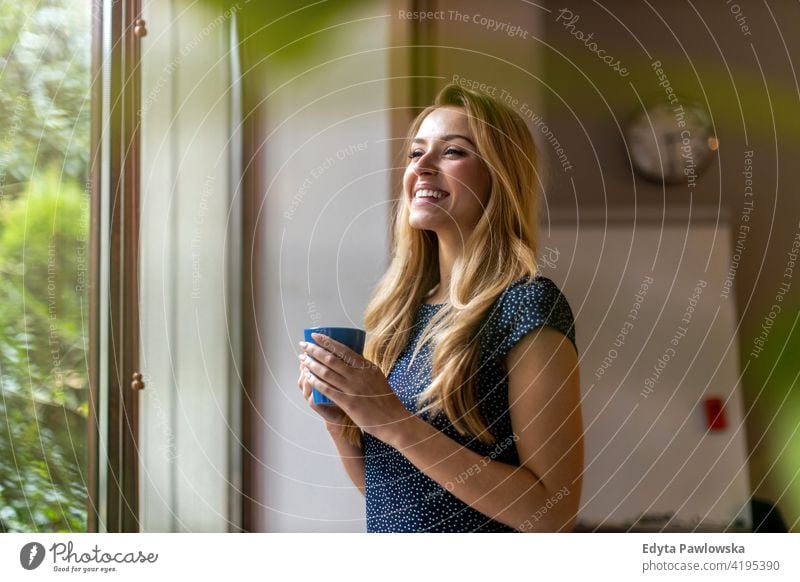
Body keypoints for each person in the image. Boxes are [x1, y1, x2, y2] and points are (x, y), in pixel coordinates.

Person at [297, 83, 583, 532]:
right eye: (415, 154)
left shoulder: (527, 304)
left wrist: (391, 420)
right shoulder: (401, 311)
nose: (423, 167)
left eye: (452, 152)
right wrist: (343, 421)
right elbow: (394, 496)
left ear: (500, 175)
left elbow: (553, 513)